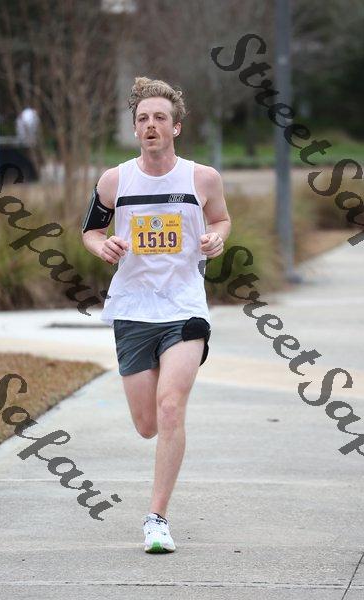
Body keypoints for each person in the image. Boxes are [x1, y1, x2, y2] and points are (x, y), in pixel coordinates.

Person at [82, 77, 231, 553]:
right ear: (134, 128)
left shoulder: (202, 178)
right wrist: (102, 245)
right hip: (132, 308)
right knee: (147, 423)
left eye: (160, 118)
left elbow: (221, 218)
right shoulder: (115, 180)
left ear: (176, 127)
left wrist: (217, 237)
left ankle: (156, 519)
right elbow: (90, 230)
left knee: (170, 408)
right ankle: (158, 493)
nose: (151, 125)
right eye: (143, 118)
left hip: (184, 306)